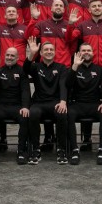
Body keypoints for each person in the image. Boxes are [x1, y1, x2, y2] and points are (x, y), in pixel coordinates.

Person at [23, 37, 69, 165]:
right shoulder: (36, 67)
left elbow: (63, 85)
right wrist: (32, 53)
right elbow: (25, 69)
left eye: (51, 50)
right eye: (46, 50)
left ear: (54, 52)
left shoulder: (61, 68)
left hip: (55, 102)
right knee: (33, 113)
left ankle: (61, 149)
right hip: (39, 102)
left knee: (62, 113)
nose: (49, 51)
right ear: (41, 53)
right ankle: (36, 149)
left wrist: (63, 101)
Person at [65, 44, 102, 165]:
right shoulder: (74, 68)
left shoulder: (100, 70)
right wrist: (74, 66)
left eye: (89, 50)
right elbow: (68, 85)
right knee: (68, 114)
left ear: (93, 53)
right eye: (83, 50)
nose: (86, 52)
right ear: (79, 53)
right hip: (77, 104)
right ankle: (74, 150)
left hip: (95, 104)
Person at [0, 47, 31, 165]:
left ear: (17, 58)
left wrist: (25, 106)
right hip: (1, 106)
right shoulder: (0, 70)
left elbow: (25, 90)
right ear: (4, 56)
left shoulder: (22, 71)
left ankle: (21, 151)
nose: (9, 57)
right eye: (7, 55)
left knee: (25, 116)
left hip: (17, 106)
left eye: (12, 56)